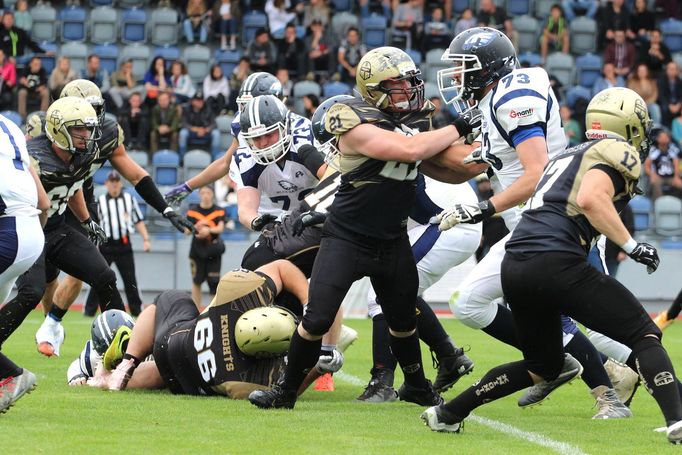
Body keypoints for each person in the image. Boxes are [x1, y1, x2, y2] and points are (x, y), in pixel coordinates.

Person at [422, 87, 682, 445]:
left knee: (542, 365)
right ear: (628, 126)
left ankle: (448, 413)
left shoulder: (569, 154)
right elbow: (592, 197)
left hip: (515, 264)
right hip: (557, 259)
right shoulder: (617, 150)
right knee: (643, 334)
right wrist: (633, 245)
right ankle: (677, 421)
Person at [248, 46, 480, 410]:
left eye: (409, 81)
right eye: (397, 83)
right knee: (317, 318)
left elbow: (441, 165)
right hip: (347, 237)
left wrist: (492, 155)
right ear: (373, 89)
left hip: (392, 237)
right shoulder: (350, 118)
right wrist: (460, 125)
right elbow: (407, 150)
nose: (408, 89)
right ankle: (285, 391)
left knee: (402, 320)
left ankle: (417, 387)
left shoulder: (416, 120)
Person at [434, 27, 634, 417]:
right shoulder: (496, 101)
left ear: (487, 69)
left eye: (464, 68)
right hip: (525, 230)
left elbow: (536, 173)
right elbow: (465, 162)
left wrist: (483, 208)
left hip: (559, 225)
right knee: (468, 302)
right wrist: (413, 149)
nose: (457, 78)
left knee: (603, 325)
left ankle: (641, 385)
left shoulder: (511, 97)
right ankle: (557, 363)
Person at [31, 80, 195, 357]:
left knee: (91, 270)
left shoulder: (106, 131)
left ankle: (58, 324)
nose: (91, 123)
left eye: (96, 111)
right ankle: (50, 323)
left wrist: (164, 208)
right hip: (48, 204)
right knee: (46, 278)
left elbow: (135, 174)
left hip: (81, 196)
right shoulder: (42, 130)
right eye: (83, 117)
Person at [0, 97, 123, 359]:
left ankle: (125, 349)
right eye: (78, 128)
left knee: (106, 278)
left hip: (56, 227)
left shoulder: (82, 153)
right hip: (31, 229)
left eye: (88, 128)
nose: (85, 135)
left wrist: (86, 220)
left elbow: (73, 186)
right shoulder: (35, 156)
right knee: (31, 292)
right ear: (58, 129)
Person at [89, 261, 310, 397]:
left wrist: (309, 303)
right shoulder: (244, 381)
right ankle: (107, 379)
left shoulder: (239, 292)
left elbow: (281, 267)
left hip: (172, 340)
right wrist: (318, 368)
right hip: (187, 383)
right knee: (164, 376)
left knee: (172, 298)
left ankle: (127, 363)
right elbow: (289, 390)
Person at [165, 72, 285, 209]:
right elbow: (225, 163)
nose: (245, 111)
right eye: (244, 105)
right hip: (268, 203)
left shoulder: (297, 129)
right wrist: (188, 186)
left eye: (251, 104)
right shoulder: (241, 126)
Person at [0, 110, 49, 413]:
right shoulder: (10, 127)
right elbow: (44, 202)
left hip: (9, 233)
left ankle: (12, 375)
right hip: (28, 232)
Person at [83, 171, 150, 317]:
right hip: (105, 246)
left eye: (116, 182)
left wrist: (146, 239)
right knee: (98, 277)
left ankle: (137, 310)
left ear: (120, 183)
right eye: (111, 182)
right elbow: (94, 223)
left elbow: (138, 221)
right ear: (107, 184)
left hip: (124, 245)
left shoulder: (129, 199)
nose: (114, 185)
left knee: (130, 279)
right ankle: (89, 310)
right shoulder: (100, 201)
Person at [186, 185, 226, 309]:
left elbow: (220, 228)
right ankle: (196, 310)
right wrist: (196, 227)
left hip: (213, 251)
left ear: (212, 194)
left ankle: (212, 311)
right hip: (196, 251)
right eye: (203, 193)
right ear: (199, 195)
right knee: (196, 281)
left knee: (214, 283)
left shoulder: (219, 210)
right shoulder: (192, 211)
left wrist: (208, 230)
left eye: (208, 192)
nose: (205, 195)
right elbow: (186, 231)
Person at [179, 91, 221, 159]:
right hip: (191, 132)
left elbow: (214, 124)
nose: (200, 102)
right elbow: (183, 123)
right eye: (198, 100)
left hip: (205, 132)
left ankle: (215, 159)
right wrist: (195, 129)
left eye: (201, 100)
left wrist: (206, 130)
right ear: (193, 101)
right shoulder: (187, 109)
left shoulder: (208, 108)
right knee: (183, 133)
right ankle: (182, 159)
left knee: (216, 133)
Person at [644, 129, 682, 200]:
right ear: (658, 139)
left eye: (666, 137)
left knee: (680, 185)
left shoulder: (672, 149)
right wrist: (652, 174)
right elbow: (646, 166)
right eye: (662, 137)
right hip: (659, 177)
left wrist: (676, 176)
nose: (664, 139)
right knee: (655, 183)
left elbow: (676, 163)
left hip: (671, 177)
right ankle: (658, 204)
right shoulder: (654, 150)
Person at [658, 62, 682, 128]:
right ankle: (665, 129)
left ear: (677, 71)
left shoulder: (680, 81)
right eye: (670, 69)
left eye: (674, 69)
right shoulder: (661, 81)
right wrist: (669, 105)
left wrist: (679, 105)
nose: (672, 71)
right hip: (667, 103)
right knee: (664, 108)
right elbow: (661, 96)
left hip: (677, 104)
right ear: (667, 70)